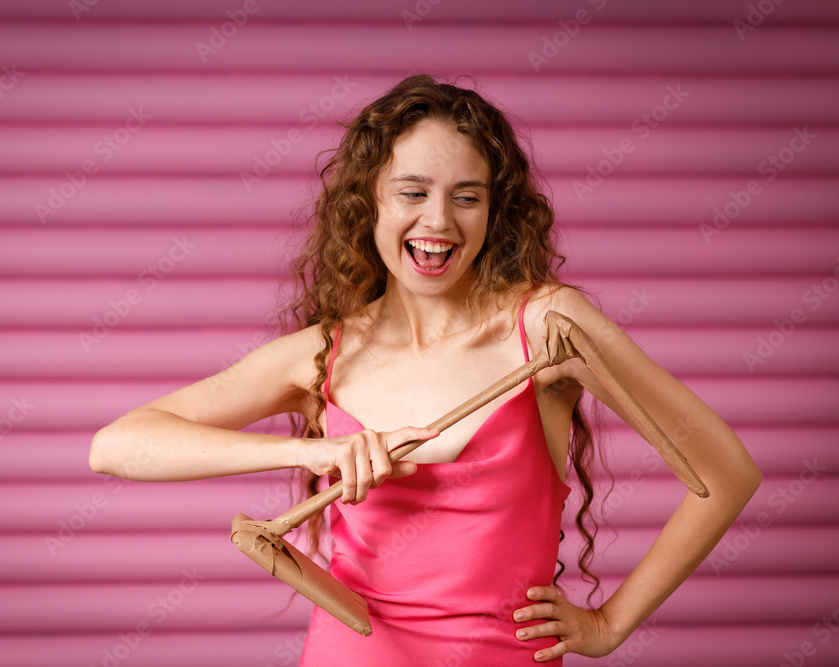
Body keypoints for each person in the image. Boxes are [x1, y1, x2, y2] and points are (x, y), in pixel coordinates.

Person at [90, 74, 761, 665]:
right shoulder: (324, 353)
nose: (437, 221)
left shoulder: (548, 325)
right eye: (412, 191)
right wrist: (314, 446)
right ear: (369, 201)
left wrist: (610, 623)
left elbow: (727, 471)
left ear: (496, 210)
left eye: (467, 197)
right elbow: (117, 445)